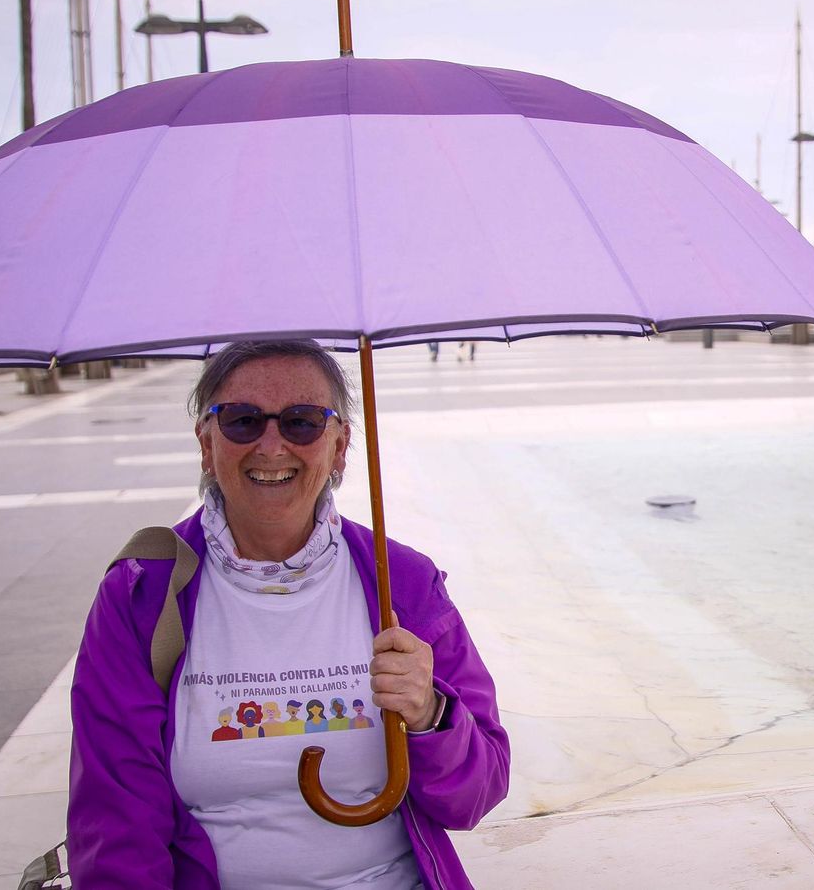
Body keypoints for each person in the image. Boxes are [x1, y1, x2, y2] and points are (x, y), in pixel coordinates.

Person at [68, 339, 509, 890]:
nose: (272, 446)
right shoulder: (143, 593)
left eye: (302, 422)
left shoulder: (405, 584)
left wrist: (431, 715)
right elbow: (116, 823)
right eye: (241, 421)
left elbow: (478, 792)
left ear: (340, 445)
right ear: (206, 443)